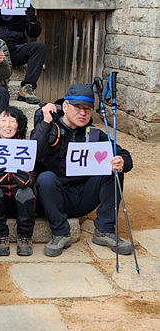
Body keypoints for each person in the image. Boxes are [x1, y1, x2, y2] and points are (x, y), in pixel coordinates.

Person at [32, 83, 134, 257]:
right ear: (64, 106)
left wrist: (121, 161)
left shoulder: (93, 134)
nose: (83, 113)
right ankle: (60, 233)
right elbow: (33, 154)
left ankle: (104, 230)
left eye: (87, 109)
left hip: (84, 195)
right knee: (45, 178)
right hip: (54, 197)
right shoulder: (50, 129)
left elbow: (124, 155)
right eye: (77, 107)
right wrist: (45, 121)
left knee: (113, 169)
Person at [0, 106, 36, 257]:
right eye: (3, 120)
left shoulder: (26, 144)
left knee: (27, 192)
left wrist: (28, 179)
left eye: (12, 121)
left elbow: (32, 171)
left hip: (19, 196)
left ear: (19, 125)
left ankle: (24, 235)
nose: (8, 125)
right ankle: (0, 235)